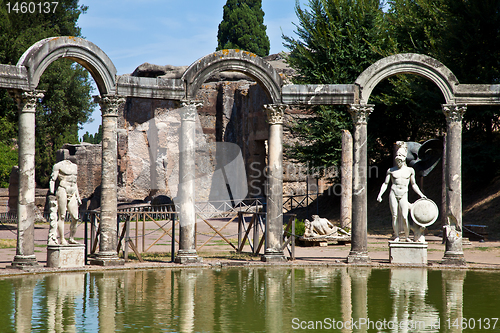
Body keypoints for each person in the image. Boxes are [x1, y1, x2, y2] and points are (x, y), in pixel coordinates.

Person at [377, 141, 426, 242]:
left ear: (404, 157)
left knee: (404, 216)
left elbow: (414, 184)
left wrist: (421, 194)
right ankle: (397, 236)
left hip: (404, 193)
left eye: (400, 155)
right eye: (397, 155)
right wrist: (380, 195)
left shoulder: (410, 170)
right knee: (394, 215)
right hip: (393, 193)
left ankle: (407, 237)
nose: (398, 157)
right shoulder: (391, 170)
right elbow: (385, 184)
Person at [48, 158, 82, 245]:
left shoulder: (74, 166)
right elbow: (53, 179)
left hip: (73, 190)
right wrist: (52, 192)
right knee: (62, 216)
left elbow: (75, 181)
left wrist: (78, 195)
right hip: (63, 189)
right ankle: (62, 239)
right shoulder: (58, 166)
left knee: (75, 217)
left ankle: (71, 238)